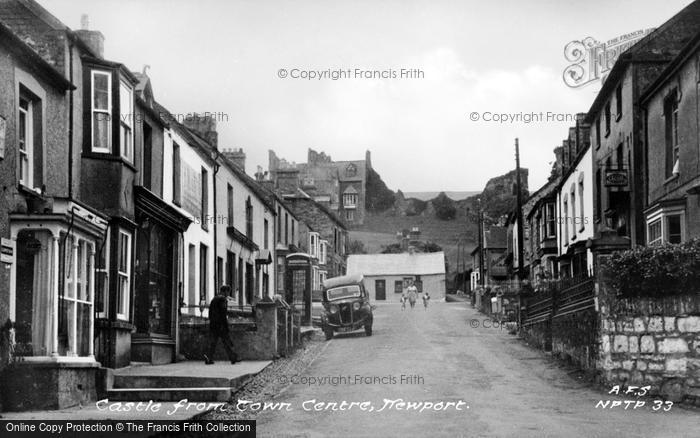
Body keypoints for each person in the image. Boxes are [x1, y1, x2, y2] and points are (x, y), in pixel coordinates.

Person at [204, 285, 238, 365]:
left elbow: (210, 312)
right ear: (225, 291)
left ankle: (209, 357)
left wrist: (212, 321)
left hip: (213, 324)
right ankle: (233, 357)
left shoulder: (214, 299)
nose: (228, 294)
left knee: (213, 342)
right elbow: (223, 313)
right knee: (226, 341)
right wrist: (225, 325)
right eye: (228, 292)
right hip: (221, 325)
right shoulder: (223, 299)